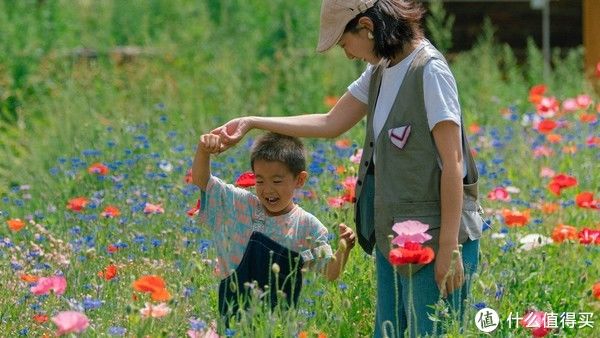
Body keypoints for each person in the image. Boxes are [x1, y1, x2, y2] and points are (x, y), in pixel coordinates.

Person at [211, 0, 484, 337]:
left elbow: (453, 162)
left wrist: (450, 248)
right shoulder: (381, 70)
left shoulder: (429, 71)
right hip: (393, 235)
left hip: (438, 237)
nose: (348, 54)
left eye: (344, 43)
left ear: (367, 27)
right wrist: (251, 122)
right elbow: (330, 122)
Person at [191, 131, 355, 327]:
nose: (267, 189)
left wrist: (344, 248)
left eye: (277, 181)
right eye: (260, 181)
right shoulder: (242, 205)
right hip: (233, 318)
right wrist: (203, 150)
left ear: (299, 180)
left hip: (279, 324)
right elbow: (203, 181)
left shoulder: (307, 226)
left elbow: (329, 272)